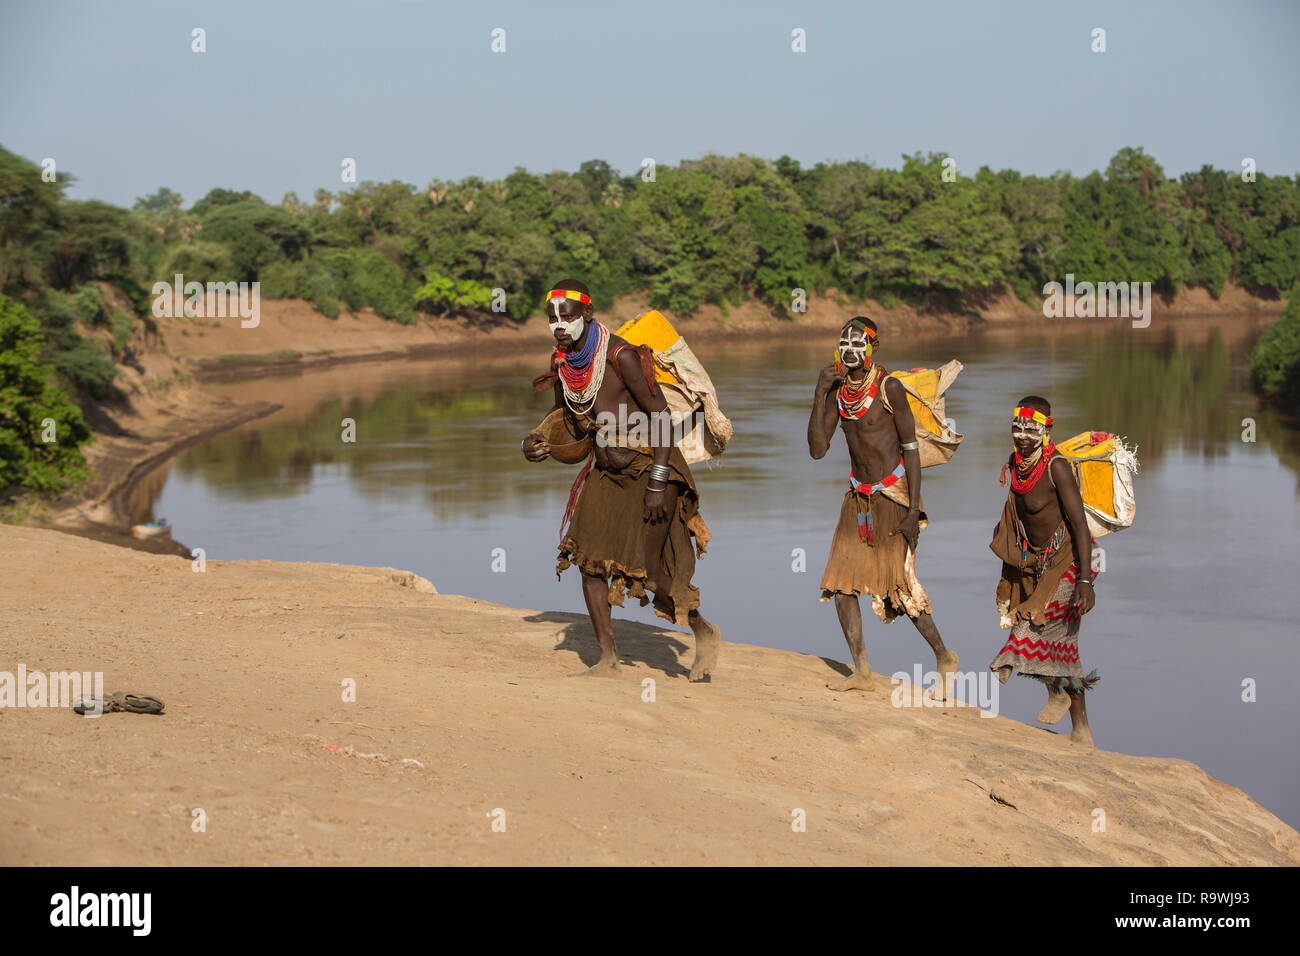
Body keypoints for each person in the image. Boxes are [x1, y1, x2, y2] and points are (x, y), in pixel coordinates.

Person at [523, 279, 720, 680]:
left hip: (649, 468)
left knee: (651, 573)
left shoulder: (621, 357)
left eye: (569, 316)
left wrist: (658, 482)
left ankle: (703, 629)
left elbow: (662, 418)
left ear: (588, 315)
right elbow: (572, 425)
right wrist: (537, 443)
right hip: (603, 474)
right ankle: (608, 658)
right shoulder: (563, 364)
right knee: (588, 562)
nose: (560, 325)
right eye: (553, 318)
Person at [808, 317, 959, 696]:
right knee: (841, 586)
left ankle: (944, 655)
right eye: (844, 343)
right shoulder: (839, 394)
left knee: (900, 586)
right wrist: (819, 392)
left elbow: (911, 451)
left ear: (873, 348)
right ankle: (862, 671)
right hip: (857, 499)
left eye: (859, 344)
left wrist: (912, 512)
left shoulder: (889, 388)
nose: (850, 351)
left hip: (894, 496)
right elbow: (817, 450)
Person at [988, 396, 1098, 747]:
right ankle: (1080, 727)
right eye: (1017, 428)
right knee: (1056, 643)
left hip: (1070, 560)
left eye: (1030, 429)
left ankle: (1068, 709)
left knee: (1039, 630)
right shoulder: (1018, 463)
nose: (1022, 436)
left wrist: (1084, 581)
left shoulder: (1057, 468)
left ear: (1047, 429)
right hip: (1037, 562)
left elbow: (1081, 526)